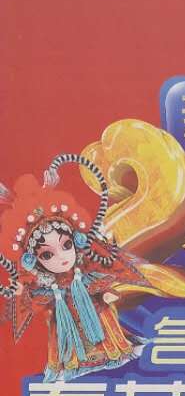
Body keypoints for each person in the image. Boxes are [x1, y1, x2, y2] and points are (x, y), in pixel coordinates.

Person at [0, 156, 148, 380]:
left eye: (66, 245)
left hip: (96, 313)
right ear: (33, 260)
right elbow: (36, 302)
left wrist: (108, 293)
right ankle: (75, 363)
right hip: (66, 321)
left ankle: (114, 351)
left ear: (76, 241)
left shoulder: (83, 273)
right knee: (65, 337)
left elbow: (99, 282)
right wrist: (23, 292)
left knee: (104, 319)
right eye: (47, 254)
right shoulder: (48, 286)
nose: (62, 257)